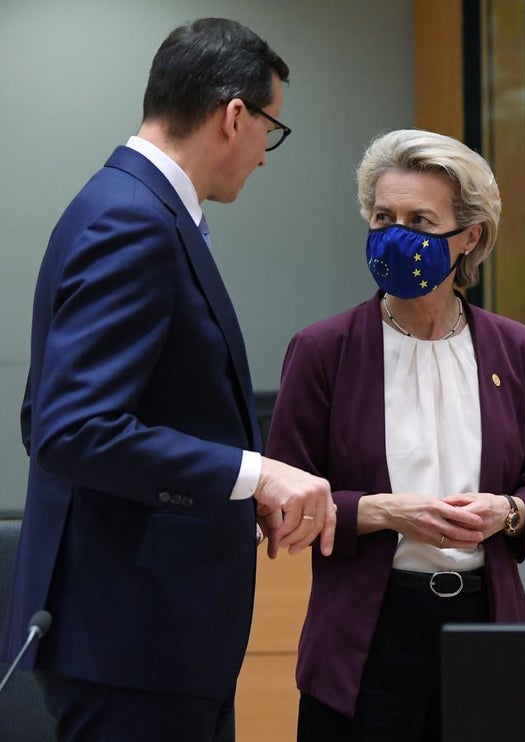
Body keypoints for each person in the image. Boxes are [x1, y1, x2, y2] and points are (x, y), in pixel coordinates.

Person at [3, 18, 336, 742]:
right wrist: (252, 475)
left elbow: (43, 416)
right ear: (235, 115)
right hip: (135, 641)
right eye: (269, 131)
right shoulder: (135, 221)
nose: (263, 158)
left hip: (140, 637)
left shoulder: (119, 203)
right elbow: (72, 430)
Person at [266, 128, 525, 741]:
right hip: (365, 635)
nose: (396, 235)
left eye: (420, 220)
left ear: (469, 237)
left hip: (485, 625)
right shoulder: (324, 350)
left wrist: (506, 513)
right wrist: (383, 512)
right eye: (383, 217)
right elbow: (278, 503)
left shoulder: (514, 350)